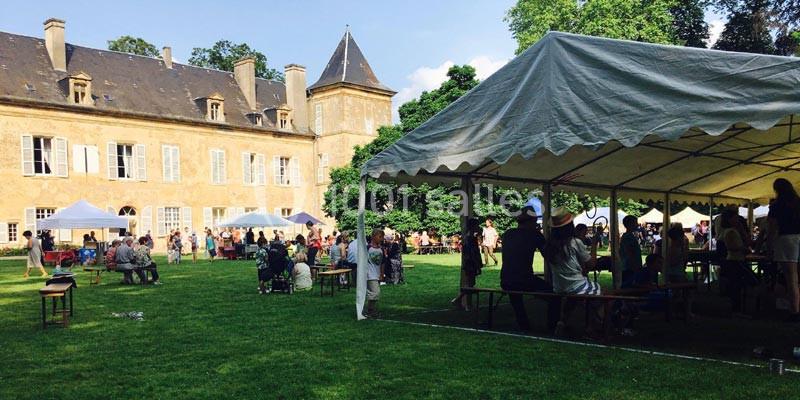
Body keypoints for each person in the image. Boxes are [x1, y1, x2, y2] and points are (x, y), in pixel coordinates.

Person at [543, 208, 602, 335]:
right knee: (605, 297)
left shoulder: (549, 245)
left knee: (572, 299)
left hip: (558, 287)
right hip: (576, 285)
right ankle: (596, 326)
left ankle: (562, 322)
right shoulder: (575, 242)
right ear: (570, 226)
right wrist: (594, 245)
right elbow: (591, 264)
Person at [501, 206, 560, 332]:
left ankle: (525, 327)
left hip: (506, 279)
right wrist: (547, 238)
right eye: (534, 221)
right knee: (555, 297)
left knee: (517, 303)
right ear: (530, 222)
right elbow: (549, 256)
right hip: (524, 279)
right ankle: (551, 329)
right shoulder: (534, 235)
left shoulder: (507, 234)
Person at [768, 178, 800, 322]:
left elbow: (772, 228)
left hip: (786, 240)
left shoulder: (777, 206)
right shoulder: (797, 202)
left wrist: (769, 245)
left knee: (790, 278)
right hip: (798, 238)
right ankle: (794, 307)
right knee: (795, 278)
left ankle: (794, 310)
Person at [720, 209, 758, 317]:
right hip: (735, 261)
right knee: (741, 284)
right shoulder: (730, 231)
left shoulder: (733, 230)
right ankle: (738, 310)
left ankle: (738, 309)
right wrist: (744, 249)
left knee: (737, 286)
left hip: (737, 260)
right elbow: (732, 246)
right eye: (735, 217)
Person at [451, 218, 483, 310]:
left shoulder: (469, 236)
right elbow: (472, 253)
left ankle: (462, 302)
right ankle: (460, 301)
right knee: (470, 284)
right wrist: (477, 265)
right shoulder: (471, 238)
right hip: (471, 263)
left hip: (469, 262)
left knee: (470, 283)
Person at [364, 229, 385, 319]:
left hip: (377, 274)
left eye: (382, 237)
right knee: (375, 292)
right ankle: (369, 310)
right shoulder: (368, 248)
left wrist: (381, 274)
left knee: (374, 292)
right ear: (373, 236)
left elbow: (382, 262)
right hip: (369, 273)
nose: (381, 239)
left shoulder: (381, 249)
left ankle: (370, 310)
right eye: (379, 237)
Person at [619, 215, 643, 284]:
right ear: (630, 224)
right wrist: (635, 266)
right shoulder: (628, 237)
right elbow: (630, 252)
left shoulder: (629, 236)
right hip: (629, 267)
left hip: (629, 266)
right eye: (635, 222)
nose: (637, 224)